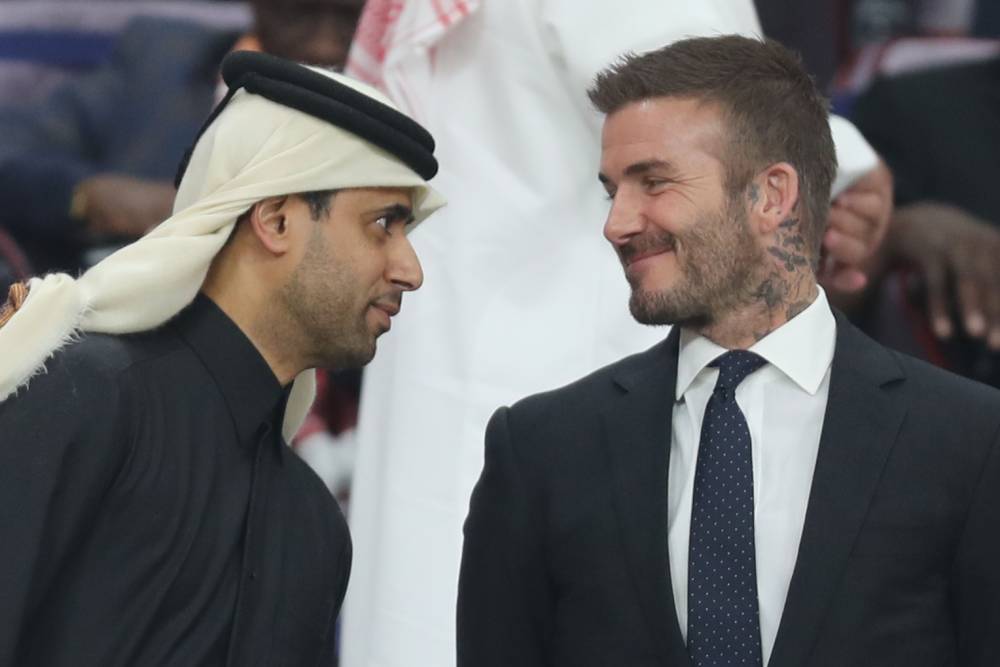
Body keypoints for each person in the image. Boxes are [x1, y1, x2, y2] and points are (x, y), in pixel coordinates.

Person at [340, 3, 890, 665]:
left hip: (469, 389)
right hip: (562, 405)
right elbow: (710, 92)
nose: (619, 219)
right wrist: (851, 170)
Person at [458, 35, 1000, 667]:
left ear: (771, 194)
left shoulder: (969, 441)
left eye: (654, 182)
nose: (617, 223)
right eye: (612, 191)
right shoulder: (539, 449)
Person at [0, 50, 443, 666]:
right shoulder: (81, 396)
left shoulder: (314, 526)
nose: (409, 270)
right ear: (276, 221)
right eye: (383, 224)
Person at [0, 0, 364, 274]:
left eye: (352, 19)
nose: (324, 47)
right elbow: (10, 148)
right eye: (300, 13)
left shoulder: (391, 99)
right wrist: (91, 197)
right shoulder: (161, 60)